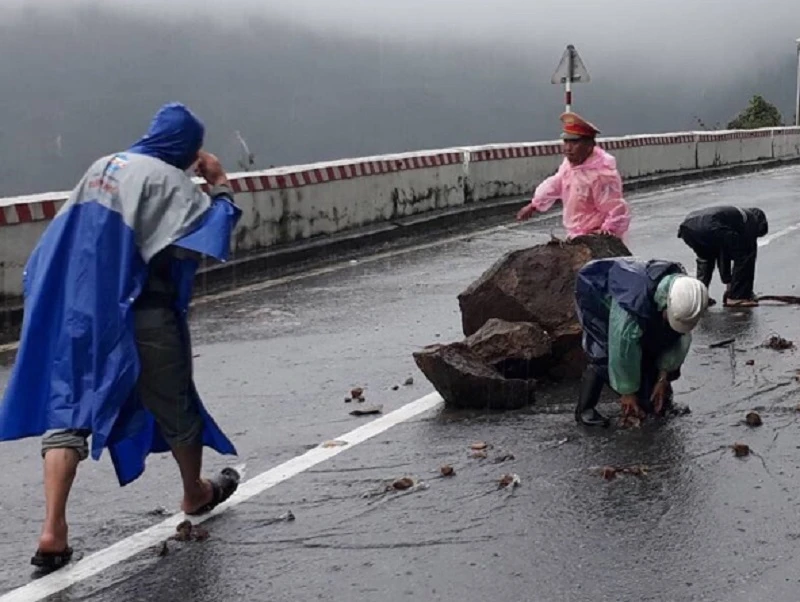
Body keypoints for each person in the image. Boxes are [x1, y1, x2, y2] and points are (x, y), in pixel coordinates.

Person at [0, 103, 243, 570]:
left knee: (70, 410)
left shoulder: (102, 168)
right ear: (189, 148)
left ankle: (53, 529)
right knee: (174, 402)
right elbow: (207, 237)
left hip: (79, 316)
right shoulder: (171, 183)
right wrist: (219, 184)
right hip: (142, 311)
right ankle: (194, 491)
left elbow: (60, 241)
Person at [573, 257, 709, 427]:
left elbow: (678, 341)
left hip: (641, 297)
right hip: (597, 290)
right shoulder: (632, 305)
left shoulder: (688, 295)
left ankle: (659, 397)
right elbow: (622, 350)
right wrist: (627, 392)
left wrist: (663, 378)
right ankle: (585, 410)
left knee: (658, 341)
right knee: (604, 351)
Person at [516, 111, 631, 241]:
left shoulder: (602, 175)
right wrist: (534, 204)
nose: (568, 148)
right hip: (575, 234)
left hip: (596, 236)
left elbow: (616, 209)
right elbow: (556, 183)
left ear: (589, 145)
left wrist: (606, 235)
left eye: (574, 143)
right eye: (566, 142)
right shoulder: (570, 165)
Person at [677, 206, 768, 307]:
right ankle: (738, 297)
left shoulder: (734, 216)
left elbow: (723, 254)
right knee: (746, 253)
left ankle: (700, 296)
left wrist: (728, 282)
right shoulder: (751, 219)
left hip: (687, 227)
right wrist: (733, 288)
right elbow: (728, 255)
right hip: (711, 225)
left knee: (706, 257)